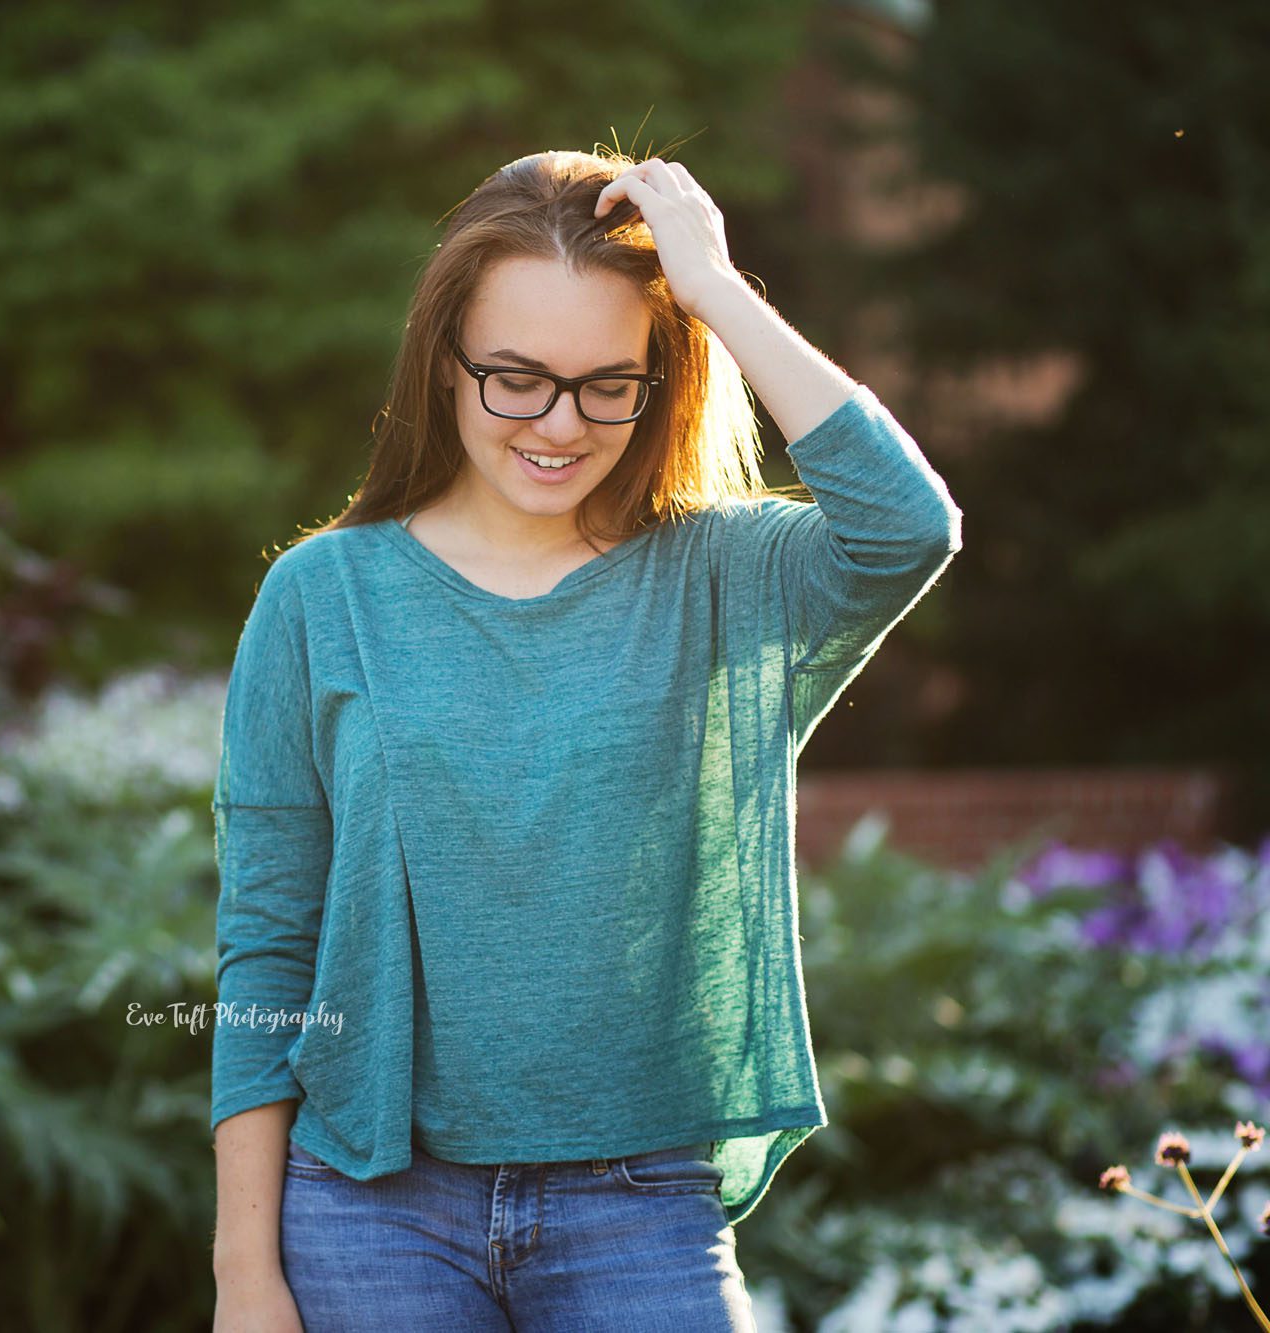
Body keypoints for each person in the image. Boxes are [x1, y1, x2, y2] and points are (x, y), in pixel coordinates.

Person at [208, 149, 963, 1332]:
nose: (559, 425)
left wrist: (711, 286)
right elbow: (265, 947)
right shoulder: (322, 596)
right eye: (515, 378)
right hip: (369, 1205)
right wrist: (242, 1276)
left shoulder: (719, 575)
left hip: (639, 1207)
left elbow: (903, 529)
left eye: (607, 383)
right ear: (442, 364)